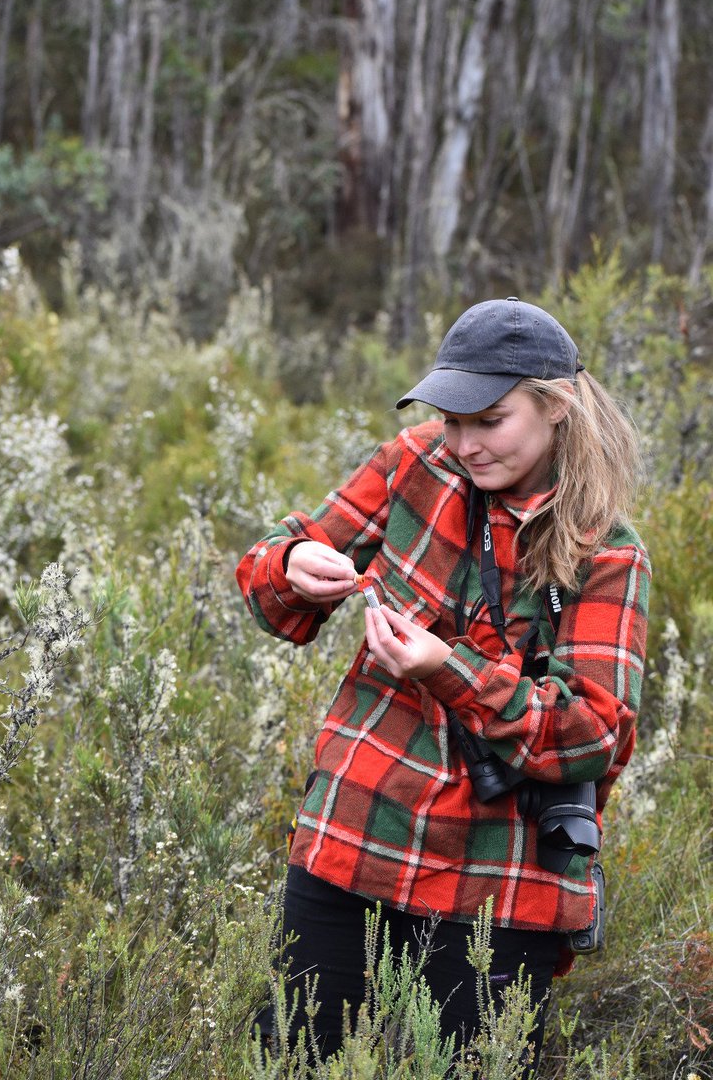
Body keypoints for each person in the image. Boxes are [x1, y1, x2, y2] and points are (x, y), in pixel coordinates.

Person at [236, 296, 650, 1072]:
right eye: (451, 418)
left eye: (488, 421)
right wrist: (290, 567)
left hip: (500, 883)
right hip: (352, 836)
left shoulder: (607, 553)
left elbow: (593, 732)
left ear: (556, 407)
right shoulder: (414, 464)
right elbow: (269, 584)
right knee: (294, 1058)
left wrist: (444, 667)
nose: (462, 443)